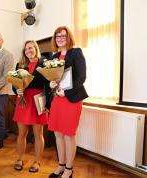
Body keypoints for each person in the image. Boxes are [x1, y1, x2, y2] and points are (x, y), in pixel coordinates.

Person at [48, 26, 88, 178]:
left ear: (68, 37)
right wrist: (51, 84)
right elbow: (52, 77)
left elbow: (81, 77)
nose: (60, 39)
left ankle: (69, 169)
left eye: (63, 36)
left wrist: (66, 91)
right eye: (57, 36)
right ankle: (61, 165)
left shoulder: (76, 52)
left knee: (68, 134)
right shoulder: (54, 56)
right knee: (58, 134)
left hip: (71, 99)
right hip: (57, 99)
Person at [13, 40, 49, 173]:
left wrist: (48, 102)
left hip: (39, 100)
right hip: (24, 100)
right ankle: (20, 159)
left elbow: (48, 84)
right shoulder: (20, 64)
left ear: (36, 48)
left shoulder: (45, 63)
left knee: (38, 134)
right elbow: (14, 83)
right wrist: (17, 90)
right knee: (21, 133)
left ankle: (37, 161)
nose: (28, 50)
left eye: (31, 48)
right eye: (26, 49)